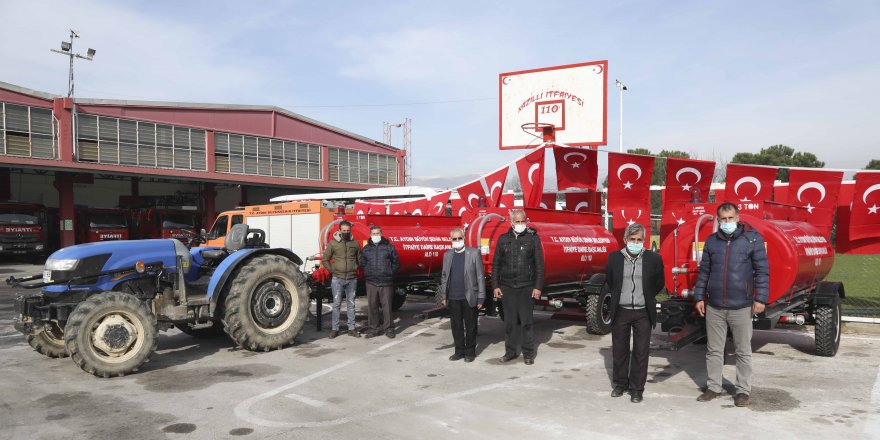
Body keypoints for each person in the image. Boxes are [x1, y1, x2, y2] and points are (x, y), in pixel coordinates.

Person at [694, 202, 769, 407]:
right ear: (718, 220)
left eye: (730, 218)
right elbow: (704, 272)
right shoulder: (711, 242)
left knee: (743, 350)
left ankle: (743, 391)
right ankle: (713, 387)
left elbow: (762, 271)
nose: (727, 223)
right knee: (714, 350)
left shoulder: (752, 239)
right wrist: (699, 297)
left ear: (738, 217)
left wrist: (760, 298)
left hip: (742, 306)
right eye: (723, 219)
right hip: (715, 306)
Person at [604, 223, 665, 403]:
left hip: (642, 312)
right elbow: (610, 280)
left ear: (644, 241)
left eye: (639, 240)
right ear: (625, 240)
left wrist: (651, 300)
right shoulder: (614, 258)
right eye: (632, 239)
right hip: (621, 310)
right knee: (620, 349)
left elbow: (659, 282)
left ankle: (637, 388)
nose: (636, 243)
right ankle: (620, 384)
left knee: (641, 351)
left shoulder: (653, 258)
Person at [492, 209, 544, 365]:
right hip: (507, 287)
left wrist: (537, 287)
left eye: (523, 221)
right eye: (518, 222)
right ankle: (510, 352)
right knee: (510, 323)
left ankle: (528, 354)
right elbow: (496, 264)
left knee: (527, 322)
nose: (521, 224)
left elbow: (539, 265)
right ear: (511, 222)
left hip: (526, 287)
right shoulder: (502, 239)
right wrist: (495, 286)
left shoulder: (533, 239)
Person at [437, 227, 485, 362]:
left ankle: (470, 352)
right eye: (454, 239)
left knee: (471, 326)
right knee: (456, 326)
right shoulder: (447, 255)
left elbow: (480, 276)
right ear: (450, 240)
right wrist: (443, 296)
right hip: (453, 297)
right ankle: (459, 351)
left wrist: (481, 297)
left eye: (460, 238)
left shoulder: (474, 253)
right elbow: (444, 276)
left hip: (469, 296)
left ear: (464, 238)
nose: (457, 241)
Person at [359, 225, 401, 338]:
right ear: (370, 235)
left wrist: (390, 273)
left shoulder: (389, 247)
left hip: (386, 282)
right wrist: (369, 272)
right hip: (371, 282)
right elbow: (362, 262)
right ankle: (373, 328)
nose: (375, 235)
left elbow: (396, 262)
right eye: (373, 234)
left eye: (377, 233)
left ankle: (389, 329)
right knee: (372, 306)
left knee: (387, 306)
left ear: (381, 234)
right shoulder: (366, 249)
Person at [322, 220, 361, 339]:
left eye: (348, 231)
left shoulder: (355, 243)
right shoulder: (333, 244)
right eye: (343, 231)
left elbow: (359, 259)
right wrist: (333, 269)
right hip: (337, 279)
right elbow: (325, 260)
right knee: (336, 304)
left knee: (351, 304)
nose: (346, 232)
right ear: (339, 230)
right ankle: (335, 329)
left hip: (352, 279)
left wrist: (355, 267)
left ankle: (351, 328)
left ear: (350, 231)